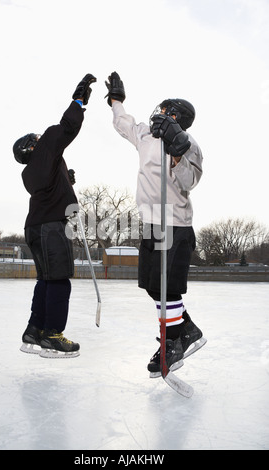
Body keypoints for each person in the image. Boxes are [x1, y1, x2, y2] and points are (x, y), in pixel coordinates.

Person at [105, 71, 206, 377]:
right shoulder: (146, 136)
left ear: (177, 117)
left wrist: (176, 152)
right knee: (153, 288)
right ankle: (186, 328)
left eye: (165, 111)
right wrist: (116, 101)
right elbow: (124, 124)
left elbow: (190, 180)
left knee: (167, 289)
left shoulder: (189, 145)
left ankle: (172, 343)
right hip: (150, 224)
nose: (158, 114)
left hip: (174, 224)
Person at [13, 73, 96, 358]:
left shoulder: (29, 173)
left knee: (45, 280)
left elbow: (50, 187)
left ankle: (34, 329)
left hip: (35, 228)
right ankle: (52, 335)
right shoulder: (46, 146)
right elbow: (66, 128)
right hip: (51, 229)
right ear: (32, 146)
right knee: (59, 280)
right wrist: (78, 101)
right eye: (35, 138)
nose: (40, 136)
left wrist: (64, 180)